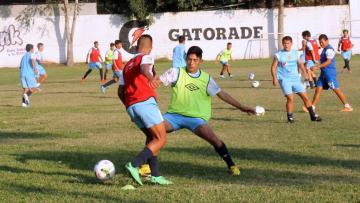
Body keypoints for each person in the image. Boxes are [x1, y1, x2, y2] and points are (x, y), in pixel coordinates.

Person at [144, 46, 256, 176]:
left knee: (214, 140)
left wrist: (241, 107)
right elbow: (155, 83)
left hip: (196, 119)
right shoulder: (176, 72)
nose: (191, 63)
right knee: (153, 131)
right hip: (174, 116)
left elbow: (222, 94)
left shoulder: (206, 79)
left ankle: (231, 165)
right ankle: (145, 166)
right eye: (189, 59)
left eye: (195, 60)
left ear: (200, 61)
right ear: (186, 59)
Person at [118, 34, 173, 186]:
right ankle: (134, 164)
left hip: (132, 106)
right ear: (150, 48)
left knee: (152, 138)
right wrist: (150, 77)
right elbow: (144, 68)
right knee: (161, 139)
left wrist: (129, 107)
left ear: (136, 47)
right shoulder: (146, 57)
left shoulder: (127, 66)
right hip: (145, 102)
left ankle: (155, 175)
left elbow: (120, 92)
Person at [271, 36, 322, 123]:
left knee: (305, 97)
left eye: (288, 43)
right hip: (284, 80)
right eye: (284, 43)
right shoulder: (278, 55)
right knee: (290, 98)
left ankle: (313, 116)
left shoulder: (295, 53)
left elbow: (301, 64)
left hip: (295, 79)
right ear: (282, 44)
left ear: (291, 44)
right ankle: (290, 118)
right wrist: (274, 78)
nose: (286, 45)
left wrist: (305, 74)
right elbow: (273, 67)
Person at [310, 34, 353, 112]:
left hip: (329, 73)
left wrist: (317, 67)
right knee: (318, 89)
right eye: (320, 42)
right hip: (323, 74)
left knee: (336, 89)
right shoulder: (324, 49)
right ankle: (312, 107)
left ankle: (347, 106)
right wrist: (316, 65)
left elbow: (328, 62)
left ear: (327, 40)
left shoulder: (329, 49)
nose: (321, 44)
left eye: (322, 42)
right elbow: (322, 61)